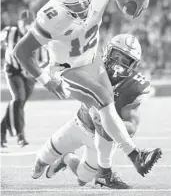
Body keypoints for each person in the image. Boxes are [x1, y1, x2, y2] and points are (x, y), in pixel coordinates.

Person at [14, 0, 161, 176]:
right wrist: (46, 80)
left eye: (85, 1)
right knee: (103, 98)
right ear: (61, 2)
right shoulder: (51, 17)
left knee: (105, 108)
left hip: (92, 59)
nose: (82, 8)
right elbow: (22, 51)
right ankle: (135, 156)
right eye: (75, 6)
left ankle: (103, 171)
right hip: (65, 69)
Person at [31, 34, 161, 189]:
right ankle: (52, 159)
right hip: (79, 124)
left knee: (82, 179)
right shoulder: (92, 64)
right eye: (117, 56)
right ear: (108, 51)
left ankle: (67, 159)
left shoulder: (133, 86)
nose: (119, 63)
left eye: (126, 61)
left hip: (102, 139)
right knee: (39, 165)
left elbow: (131, 126)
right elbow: (64, 67)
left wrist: (109, 123)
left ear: (133, 65)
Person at [0, 10, 49, 147]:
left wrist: (33, 70)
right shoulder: (9, 31)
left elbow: (45, 59)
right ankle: (20, 136)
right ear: (18, 23)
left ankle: (1, 132)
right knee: (18, 99)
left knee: (18, 104)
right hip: (12, 70)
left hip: (30, 74)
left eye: (29, 23)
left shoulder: (39, 36)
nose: (26, 26)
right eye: (24, 23)